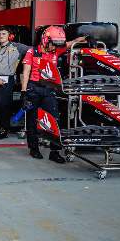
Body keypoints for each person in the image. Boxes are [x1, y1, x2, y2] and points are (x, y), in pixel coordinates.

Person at [21, 26, 84, 162]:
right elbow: (25, 72)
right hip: (33, 88)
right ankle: (34, 148)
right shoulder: (32, 52)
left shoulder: (56, 49)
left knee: (54, 118)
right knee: (32, 119)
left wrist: (81, 39)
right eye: (53, 44)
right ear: (45, 40)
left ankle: (54, 152)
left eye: (57, 45)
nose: (55, 47)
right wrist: (24, 92)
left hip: (49, 89)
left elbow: (69, 44)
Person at [0, 28, 30, 139]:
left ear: (10, 36)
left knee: (3, 104)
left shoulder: (17, 47)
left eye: (4, 34)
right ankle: (1, 126)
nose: (1, 35)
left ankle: (4, 129)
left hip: (8, 78)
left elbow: (32, 50)